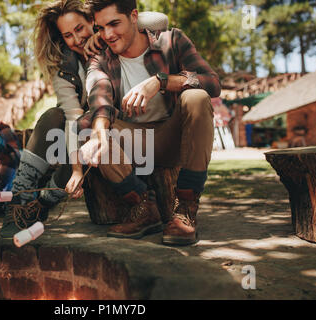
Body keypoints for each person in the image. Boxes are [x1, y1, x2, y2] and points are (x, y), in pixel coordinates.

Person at [0, 0, 168, 240]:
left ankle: (42, 204)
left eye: (80, 28)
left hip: (127, 130)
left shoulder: (116, 39)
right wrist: (77, 167)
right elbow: (72, 120)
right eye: (68, 35)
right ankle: (19, 200)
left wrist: (102, 34)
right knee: (56, 118)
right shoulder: (65, 69)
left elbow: (161, 19)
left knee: (87, 130)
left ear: (92, 20)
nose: (77, 39)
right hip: (91, 135)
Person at [78, 0, 221, 245]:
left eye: (114, 23)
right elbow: (99, 94)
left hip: (172, 139)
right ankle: (144, 206)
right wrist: (99, 134)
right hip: (131, 144)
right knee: (88, 124)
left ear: (134, 16)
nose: (108, 35)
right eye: (100, 28)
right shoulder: (100, 57)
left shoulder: (171, 40)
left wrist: (161, 81)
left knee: (196, 97)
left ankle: (185, 207)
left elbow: (211, 82)